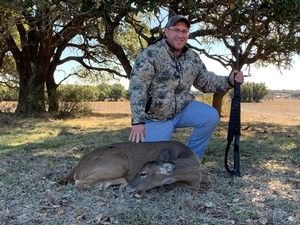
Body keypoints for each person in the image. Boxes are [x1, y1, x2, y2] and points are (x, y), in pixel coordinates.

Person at [128, 14, 244, 159]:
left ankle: (191, 160)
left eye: (184, 31)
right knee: (146, 163)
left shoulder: (193, 57)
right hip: (156, 117)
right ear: (166, 32)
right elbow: (138, 88)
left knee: (210, 116)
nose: (180, 35)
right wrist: (138, 121)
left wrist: (229, 80)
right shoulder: (150, 54)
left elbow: (206, 81)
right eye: (176, 30)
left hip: (183, 109)